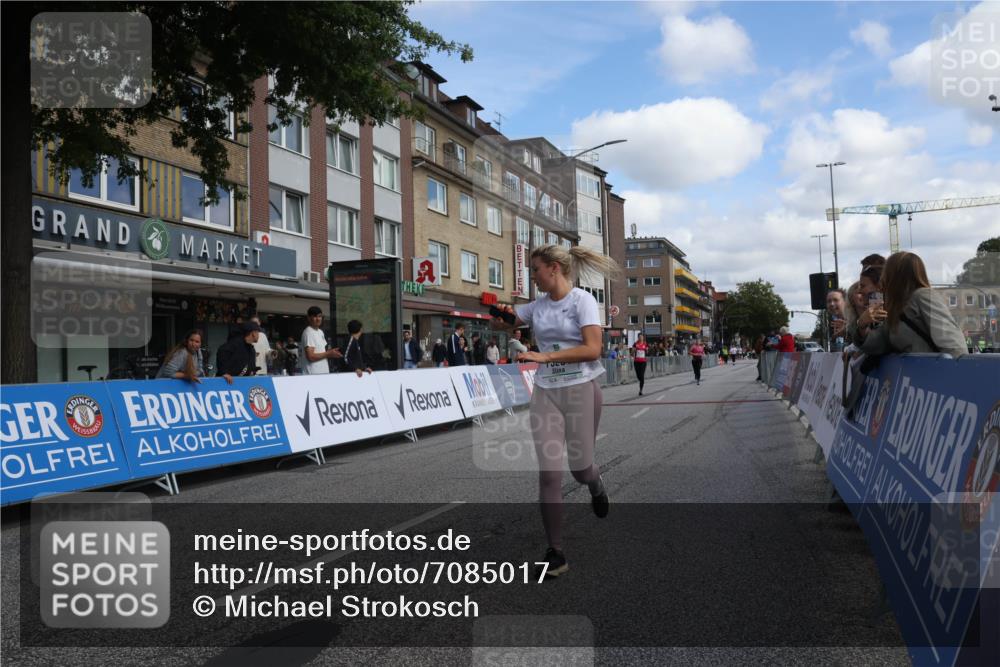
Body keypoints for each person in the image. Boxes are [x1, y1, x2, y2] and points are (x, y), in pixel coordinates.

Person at [491, 245, 618, 580]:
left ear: (554, 268)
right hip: (546, 392)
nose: (532, 276)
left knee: (580, 470)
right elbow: (508, 322)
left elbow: (593, 349)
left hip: (581, 389)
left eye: (535, 269)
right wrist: (499, 316)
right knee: (549, 474)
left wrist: (544, 356)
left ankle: (595, 483)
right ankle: (556, 552)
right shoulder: (538, 306)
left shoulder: (582, 301)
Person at [858, 252, 966, 357]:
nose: (882, 277)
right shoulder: (895, 307)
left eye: (886, 272)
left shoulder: (923, 296)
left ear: (896, 275)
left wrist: (953, 367)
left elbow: (953, 344)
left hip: (932, 369)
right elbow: (879, 344)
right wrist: (862, 325)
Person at [300, 306, 343, 374]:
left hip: (322, 373)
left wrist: (332, 352)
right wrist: (329, 353)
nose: (318, 319)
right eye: (315, 316)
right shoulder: (308, 332)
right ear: (309, 318)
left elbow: (322, 352)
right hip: (313, 375)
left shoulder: (320, 332)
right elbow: (311, 357)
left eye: (319, 316)